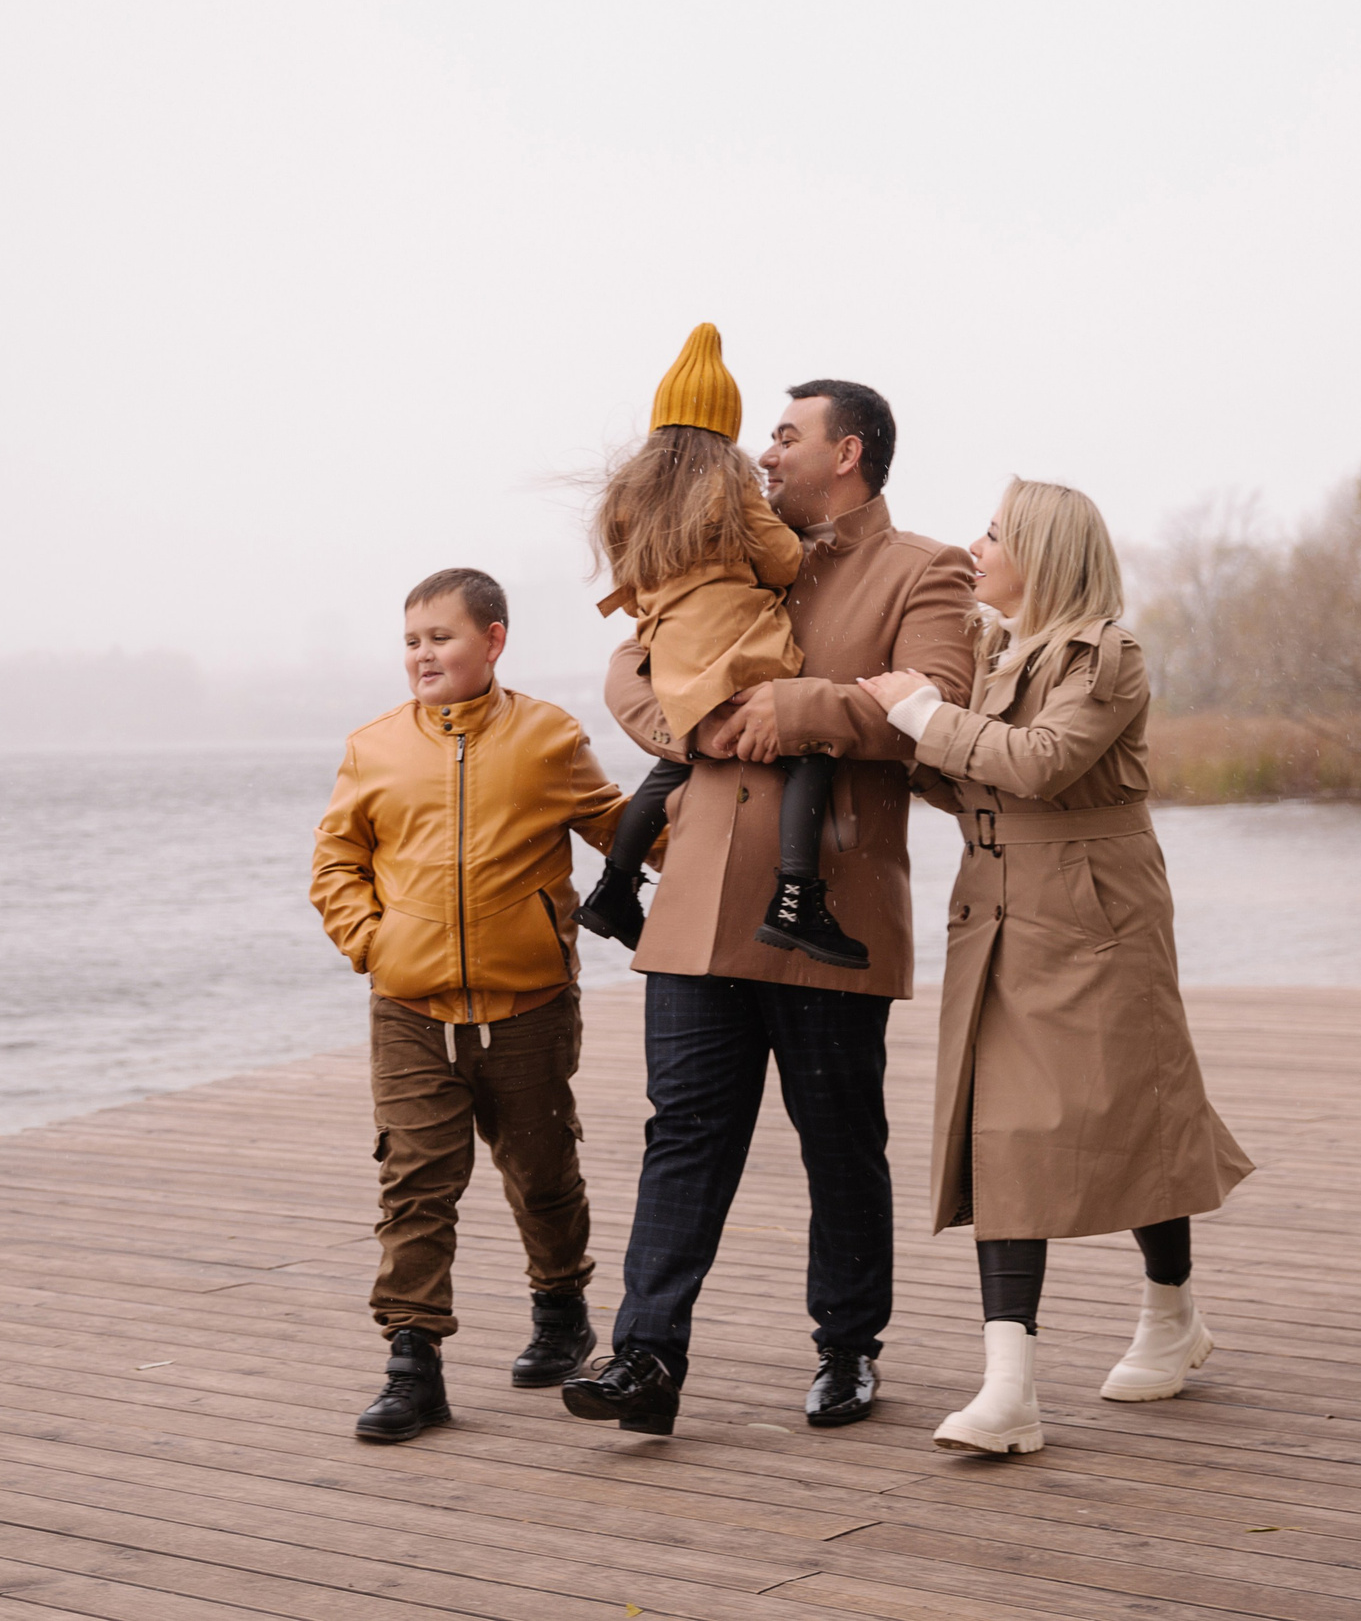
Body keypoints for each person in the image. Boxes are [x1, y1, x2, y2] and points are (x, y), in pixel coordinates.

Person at [560, 379, 978, 1437]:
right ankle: (644, 1357)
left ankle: (847, 1350)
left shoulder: (926, 569)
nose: (764, 454)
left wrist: (784, 707)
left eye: (786, 437)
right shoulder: (719, 539)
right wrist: (693, 726)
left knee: (840, 1140)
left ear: (848, 452)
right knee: (682, 1135)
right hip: (694, 906)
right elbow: (627, 663)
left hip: (828, 906)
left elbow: (938, 704)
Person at [858, 478, 1254, 1456]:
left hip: (1095, 916)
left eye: (993, 533)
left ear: (1043, 552)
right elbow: (983, 782)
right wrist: (894, 742)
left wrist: (918, 717)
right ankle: (1009, 1389)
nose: (975, 546)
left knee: (1135, 1117)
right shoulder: (994, 654)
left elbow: (1038, 765)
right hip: (997, 913)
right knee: (1001, 1135)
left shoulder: (1106, 656)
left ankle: (1171, 1315)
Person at [309, 567, 629, 1442]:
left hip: (529, 1006)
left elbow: (618, 825)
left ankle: (561, 1308)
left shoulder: (547, 738)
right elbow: (336, 863)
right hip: (410, 1009)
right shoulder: (374, 746)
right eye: (411, 640)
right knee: (415, 1182)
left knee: (542, 1172)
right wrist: (375, 945)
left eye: (440, 637)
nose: (422, 654)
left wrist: (723, 820)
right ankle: (413, 1363)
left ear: (493, 640)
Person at [580, 323, 867, 968]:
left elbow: (637, 575)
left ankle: (614, 887)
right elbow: (784, 559)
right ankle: (796, 898)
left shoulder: (632, 492)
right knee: (809, 753)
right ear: (724, 426)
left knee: (673, 767)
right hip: (735, 650)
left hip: (673, 657)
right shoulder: (728, 482)